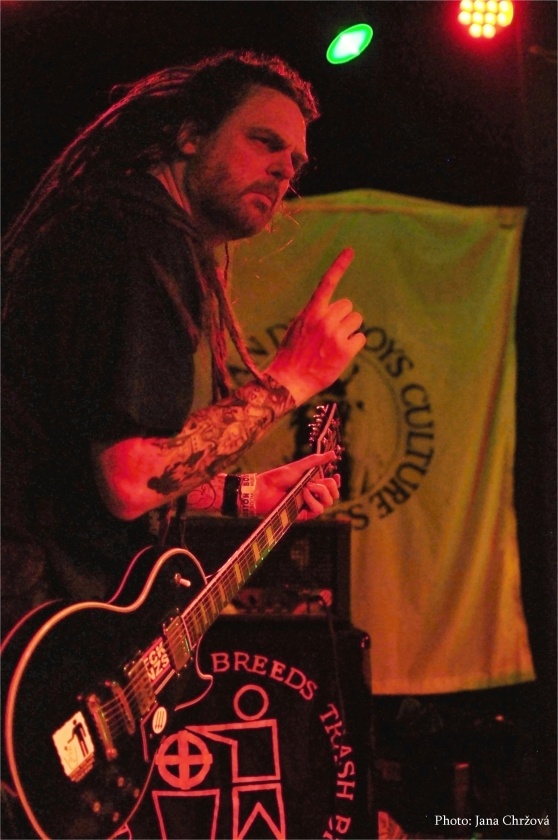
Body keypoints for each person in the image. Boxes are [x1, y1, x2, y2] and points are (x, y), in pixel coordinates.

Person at [1, 49, 365, 837]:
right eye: (264, 141)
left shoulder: (110, 225)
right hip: (27, 636)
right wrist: (289, 381)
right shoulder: (140, 237)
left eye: (296, 162)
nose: (285, 169)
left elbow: (94, 460)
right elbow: (131, 482)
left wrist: (245, 493)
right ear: (189, 134)